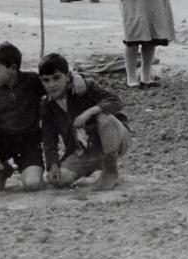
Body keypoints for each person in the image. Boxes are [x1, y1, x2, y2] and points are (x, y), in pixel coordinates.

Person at [38, 52, 132, 191]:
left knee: (103, 117)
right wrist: (53, 165)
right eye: (46, 80)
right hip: (85, 150)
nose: (52, 85)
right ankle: (97, 165)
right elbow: (49, 139)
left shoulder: (84, 87)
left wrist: (87, 113)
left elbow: (115, 101)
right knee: (58, 180)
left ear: (68, 77)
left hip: (116, 138)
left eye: (56, 78)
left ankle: (111, 171)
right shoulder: (47, 105)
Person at [0, 41, 47, 190]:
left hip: (28, 141)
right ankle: (1, 169)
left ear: (12, 68)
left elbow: (56, 81)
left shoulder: (32, 81)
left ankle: (25, 167)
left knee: (34, 184)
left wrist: (75, 77)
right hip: (1, 140)